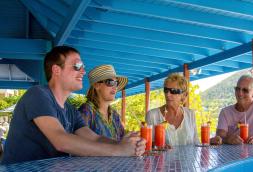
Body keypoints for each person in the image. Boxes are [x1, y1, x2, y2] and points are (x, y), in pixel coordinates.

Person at [2, 46, 145, 164]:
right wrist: (119, 151)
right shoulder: (37, 94)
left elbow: (94, 138)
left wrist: (123, 144)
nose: (83, 71)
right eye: (77, 66)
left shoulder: (69, 108)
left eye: (83, 67)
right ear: (56, 70)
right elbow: (60, 140)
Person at [211, 74, 253, 145]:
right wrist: (228, 139)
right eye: (238, 89)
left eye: (245, 90)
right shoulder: (225, 112)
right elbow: (219, 137)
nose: (240, 93)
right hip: (230, 154)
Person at [146, 73, 200, 146]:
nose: (168, 94)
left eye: (173, 91)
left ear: (183, 95)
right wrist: (156, 146)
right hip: (163, 158)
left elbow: (196, 143)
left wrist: (210, 141)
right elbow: (147, 145)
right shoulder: (153, 115)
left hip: (189, 157)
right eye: (166, 90)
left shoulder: (190, 114)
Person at [79, 65, 127, 141]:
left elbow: (123, 140)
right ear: (96, 85)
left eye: (116, 83)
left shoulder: (114, 115)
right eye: (110, 82)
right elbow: (79, 143)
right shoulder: (87, 111)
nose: (115, 87)